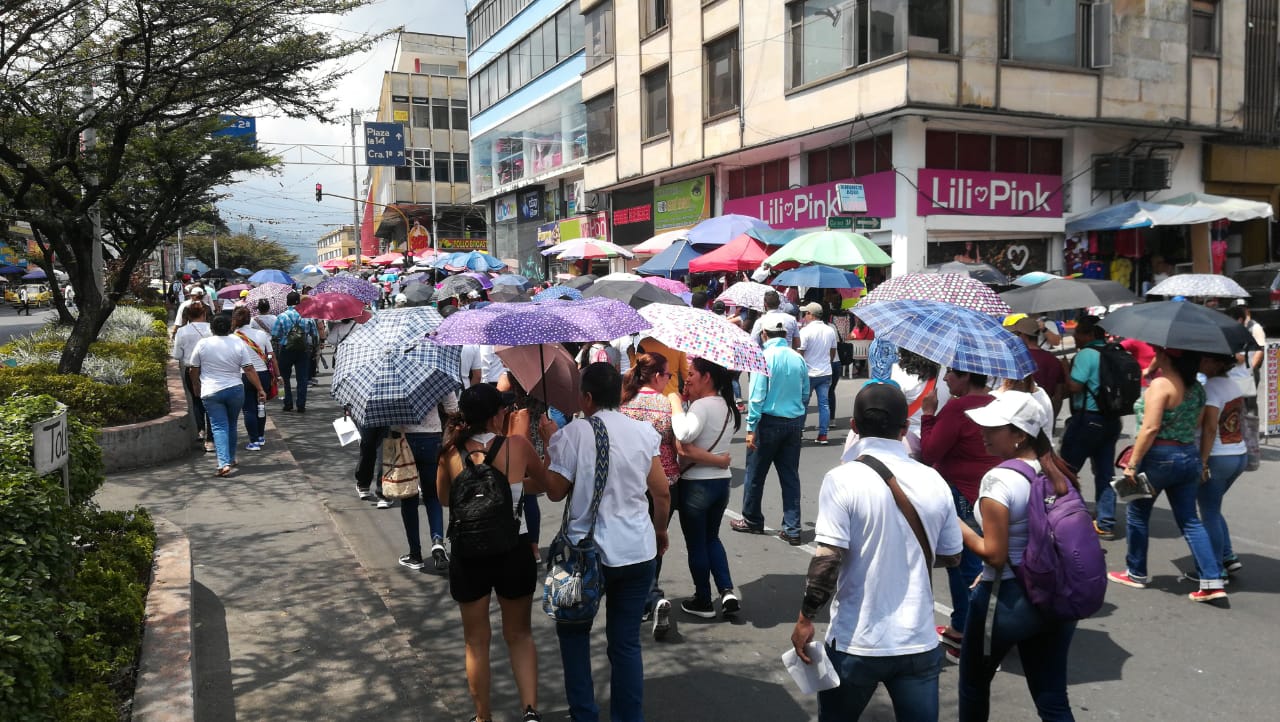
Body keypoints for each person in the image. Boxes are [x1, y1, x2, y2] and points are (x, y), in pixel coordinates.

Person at [790, 382, 962, 721]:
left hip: (858, 642)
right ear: (904, 428)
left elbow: (828, 559)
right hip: (918, 641)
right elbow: (952, 555)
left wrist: (805, 618)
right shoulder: (934, 480)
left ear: (854, 426)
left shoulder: (842, 479)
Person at [546, 363, 671, 722]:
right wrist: (660, 531)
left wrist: (549, 442)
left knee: (574, 637)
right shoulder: (642, 432)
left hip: (585, 555)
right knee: (626, 643)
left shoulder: (574, 433)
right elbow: (661, 493)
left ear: (586, 397)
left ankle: (584, 713)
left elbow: (554, 491)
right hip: (637, 550)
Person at [436, 384, 558, 722]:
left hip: (469, 552)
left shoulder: (449, 452)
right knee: (519, 635)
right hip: (513, 549)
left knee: (476, 641)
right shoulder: (517, 446)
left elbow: (444, 498)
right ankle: (529, 710)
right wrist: (548, 444)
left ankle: (482, 716)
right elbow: (547, 485)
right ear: (496, 416)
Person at [957, 391, 1080, 720]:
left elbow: (995, 555)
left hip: (1006, 596)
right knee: (1053, 699)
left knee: (973, 685)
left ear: (1020, 435)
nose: (983, 433)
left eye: (993, 428)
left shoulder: (999, 479)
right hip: (1056, 594)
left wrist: (954, 523)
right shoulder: (1057, 471)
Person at [1108, 346, 1227, 602]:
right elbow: (1197, 424)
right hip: (1188, 455)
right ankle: (1212, 580)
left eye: (1159, 352)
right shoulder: (1197, 389)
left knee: (1137, 514)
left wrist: (1132, 464)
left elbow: (1150, 428)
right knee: (1190, 520)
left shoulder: (1161, 385)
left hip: (1158, 457)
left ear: (1167, 357)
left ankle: (1136, 572)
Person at [919, 368, 1000, 660]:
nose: (945, 379)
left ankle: (965, 631)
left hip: (964, 495)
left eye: (951, 373)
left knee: (963, 565)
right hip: (992, 494)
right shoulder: (996, 403)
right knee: (986, 566)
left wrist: (928, 415)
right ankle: (975, 628)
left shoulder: (958, 408)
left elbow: (930, 451)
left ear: (967, 376)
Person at [670, 357, 741, 620]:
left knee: (697, 543)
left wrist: (675, 403)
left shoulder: (702, 406)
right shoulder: (727, 406)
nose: (687, 378)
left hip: (697, 484)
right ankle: (727, 591)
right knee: (712, 538)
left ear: (707, 377)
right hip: (721, 483)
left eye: (691, 374)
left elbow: (684, 436)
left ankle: (703, 599)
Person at [619, 352, 681, 639]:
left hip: (632, 481)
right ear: (657, 376)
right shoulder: (666, 404)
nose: (668, 380)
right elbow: (676, 442)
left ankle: (645, 599)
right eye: (667, 375)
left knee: (636, 541)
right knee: (658, 540)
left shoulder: (624, 404)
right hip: (664, 480)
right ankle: (651, 595)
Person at [730, 319, 810, 545]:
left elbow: (756, 397)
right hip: (793, 422)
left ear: (764, 333)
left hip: (768, 422)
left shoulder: (763, 357)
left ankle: (752, 519)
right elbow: (805, 392)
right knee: (790, 476)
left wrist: (751, 428)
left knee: (755, 474)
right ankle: (792, 528)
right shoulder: (797, 358)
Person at [1060, 316, 1124, 541]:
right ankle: (1106, 523)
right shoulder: (1115, 351)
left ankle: (1069, 518)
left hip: (1088, 419)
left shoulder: (1087, 354)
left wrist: (1065, 370)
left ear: (1089, 334)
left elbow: (1075, 386)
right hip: (1112, 420)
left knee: (1065, 470)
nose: (1075, 337)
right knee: (1105, 473)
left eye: (1078, 332)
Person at [187, 314, 267, 477]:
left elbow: (193, 368)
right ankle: (230, 458)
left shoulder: (203, 343)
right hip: (235, 389)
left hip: (211, 391)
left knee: (219, 426)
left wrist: (196, 385)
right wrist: (260, 388)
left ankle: (223, 463)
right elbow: (249, 368)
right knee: (231, 424)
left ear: (212, 328)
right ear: (230, 327)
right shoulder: (238, 342)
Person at [1197, 353, 1247, 583]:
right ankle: (1227, 556)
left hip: (1218, 457)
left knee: (1208, 513)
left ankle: (1216, 570)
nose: (1200, 362)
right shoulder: (1233, 385)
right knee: (1213, 509)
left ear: (1216, 363)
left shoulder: (1210, 389)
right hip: (1238, 454)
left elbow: (1209, 429)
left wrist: (1203, 461)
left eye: (1205, 359)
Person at [1006, 315, 1066, 426]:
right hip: (1043, 419)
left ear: (1023, 336)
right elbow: (1058, 397)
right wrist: (1050, 421)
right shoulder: (1054, 361)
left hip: (1019, 421)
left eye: (1017, 334)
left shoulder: (1016, 359)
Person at [172, 301, 214, 453]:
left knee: (196, 400)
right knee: (211, 402)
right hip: (210, 370)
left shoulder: (182, 332)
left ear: (188, 315)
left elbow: (177, 355)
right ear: (204, 313)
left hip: (191, 370)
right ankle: (210, 439)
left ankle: (200, 429)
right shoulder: (211, 329)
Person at [231, 307, 274, 451]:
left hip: (244, 375)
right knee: (261, 406)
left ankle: (254, 441)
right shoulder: (262, 334)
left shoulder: (233, 337)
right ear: (250, 318)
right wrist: (277, 374)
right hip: (263, 374)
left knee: (249, 409)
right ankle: (261, 436)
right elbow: (271, 355)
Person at [271, 291, 318, 412]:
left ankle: (287, 403)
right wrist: (315, 349)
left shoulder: (282, 316)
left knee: (283, 378)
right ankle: (301, 404)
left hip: (286, 349)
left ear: (287, 302)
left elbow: (275, 335)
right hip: (303, 350)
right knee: (302, 378)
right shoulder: (307, 316)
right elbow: (315, 335)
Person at [799, 302, 838, 444]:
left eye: (805, 313)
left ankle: (799, 431)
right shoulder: (829, 330)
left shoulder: (805, 331)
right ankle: (823, 434)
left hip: (809, 373)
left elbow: (800, 353)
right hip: (825, 372)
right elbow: (833, 350)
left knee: (803, 403)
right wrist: (827, 362)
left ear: (811, 314)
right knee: (824, 404)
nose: (804, 316)